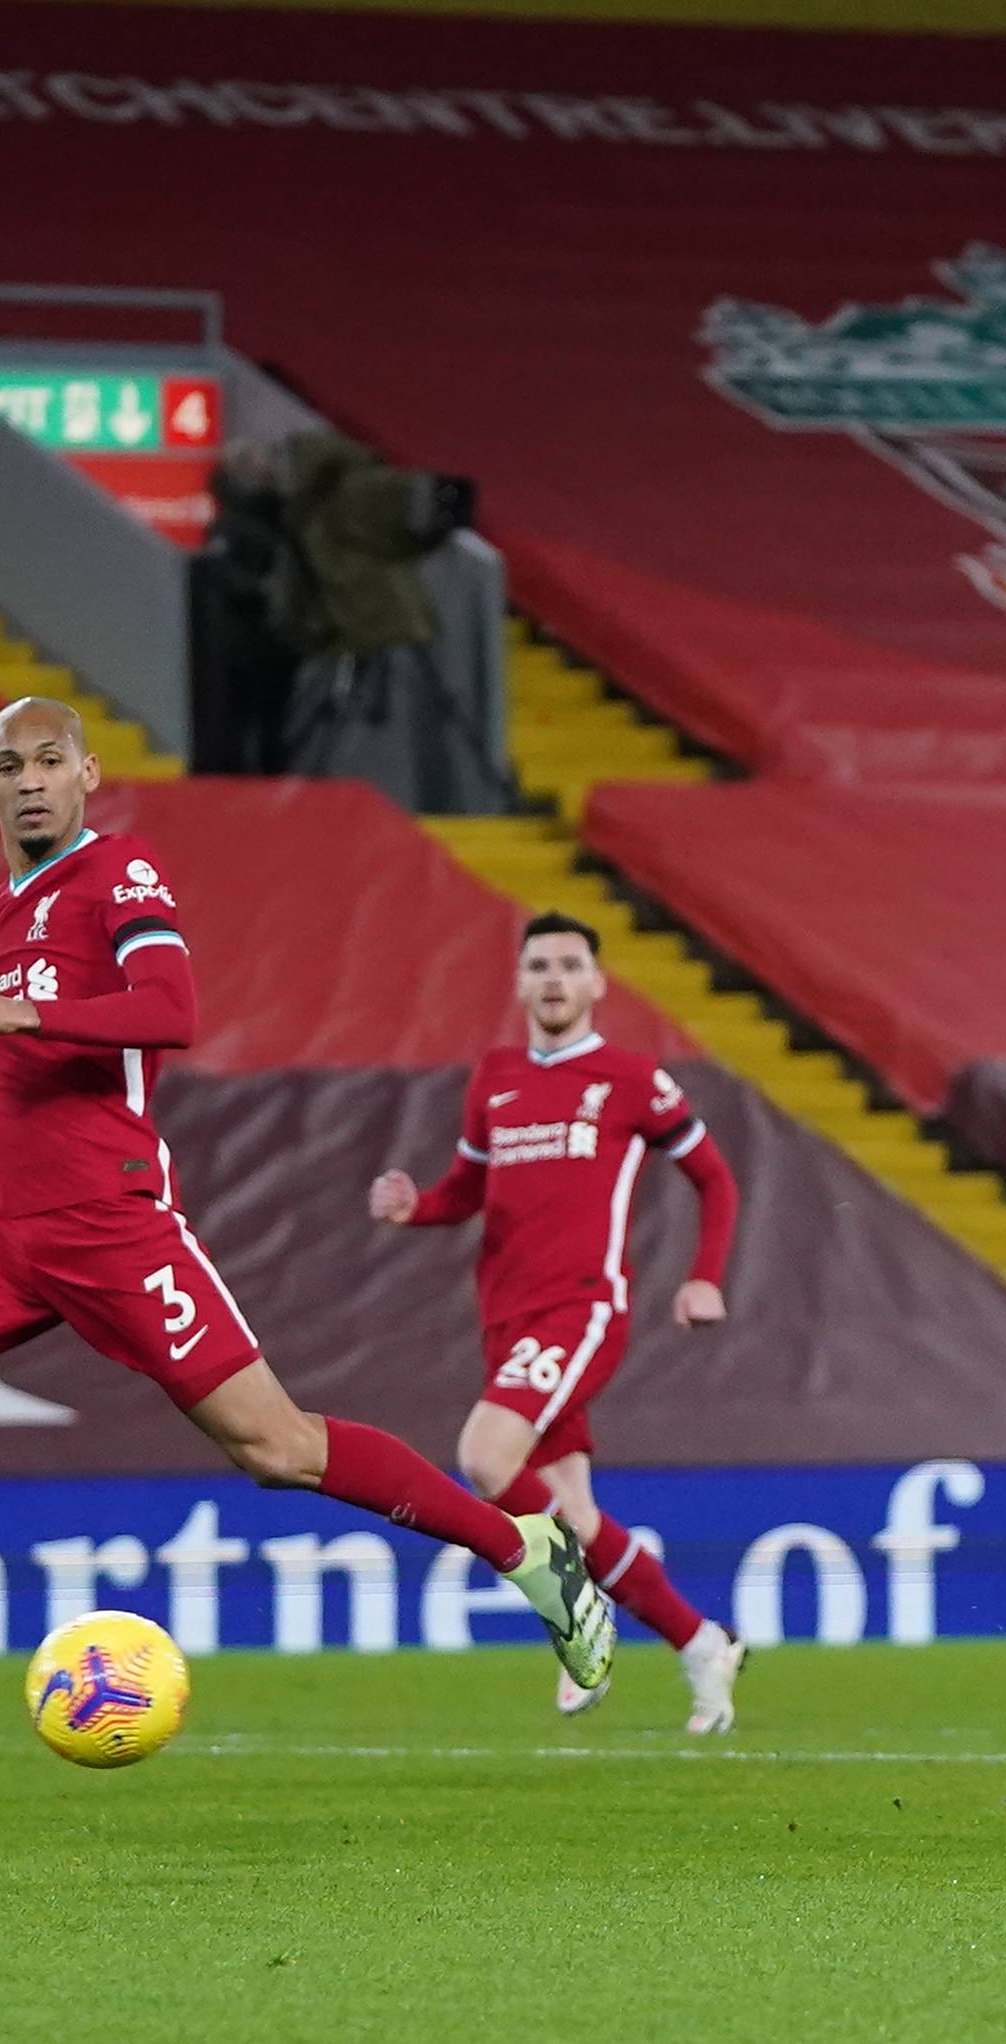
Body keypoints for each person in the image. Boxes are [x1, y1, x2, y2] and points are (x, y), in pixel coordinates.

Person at [0, 697, 612, 1685]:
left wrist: (36, 1009)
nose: (27, 780)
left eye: (46, 760)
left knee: (276, 1447)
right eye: (7, 766)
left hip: (106, 1221)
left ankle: (526, 1552)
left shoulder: (115, 871)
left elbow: (171, 1006)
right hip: (6, 1232)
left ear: (86, 773)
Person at [370, 911, 746, 1731]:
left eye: (570, 965)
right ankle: (699, 1642)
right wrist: (416, 1207)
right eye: (538, 964)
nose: (553, 978)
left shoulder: (631, 1077)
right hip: (504, 1319)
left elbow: (716, 1180)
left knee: (484, 1454)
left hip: (581, 1308)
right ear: (518, 981)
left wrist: (704, 1279)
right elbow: (467, 1191)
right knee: (571, 1515)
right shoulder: (496, 1078)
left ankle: (578, 1616)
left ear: (597, 983)